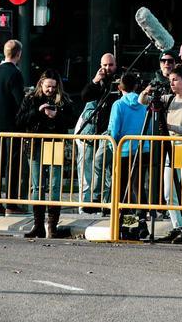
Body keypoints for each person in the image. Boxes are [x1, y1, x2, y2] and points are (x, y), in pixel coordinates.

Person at [141, 64, 182, 243]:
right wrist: (147, 91)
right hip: (171, 147)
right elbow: (142, 102)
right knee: (169, 192)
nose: (172, 83)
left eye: (175, 80)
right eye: (170, 80)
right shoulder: (168, 99)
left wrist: (170, 128)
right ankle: (177, 226)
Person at [16, 69, 73, 239]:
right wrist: (39, 111)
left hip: (54, 144)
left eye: (54, 87)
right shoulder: (31, 99)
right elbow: (19, 120)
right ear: (41, 84)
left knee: (55, 185)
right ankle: (38, 225)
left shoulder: (63, 99)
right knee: (37, 185)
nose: (50, 90)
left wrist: (57, 115)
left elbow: (71, 119)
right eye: (48, 86)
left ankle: (52, 226)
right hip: (35, 145)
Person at [108, 71, 157, 240]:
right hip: (143, 149)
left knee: (124, 191)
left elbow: (114, 130)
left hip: (123, 150)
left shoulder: (118, 105)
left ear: (119, 87)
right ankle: (140, 224)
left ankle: (129, 226)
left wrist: (111, 145)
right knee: (137, 187)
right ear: (136, 86)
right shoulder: (144, 104)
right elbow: (150, 127)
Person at [75, 52, 118, 213]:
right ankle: (86, 205)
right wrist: (95, 81)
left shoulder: (117, 83)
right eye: (104, 65)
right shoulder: (97, 83)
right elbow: (84, 96)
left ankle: (104, 205)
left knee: (107, 173)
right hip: (91, 134)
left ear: (115, 65)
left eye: (110, 65)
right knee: (88, 172)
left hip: (109, 134)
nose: (107, 68)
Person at [0, 39, 25, 215]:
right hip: (12, 126)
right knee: (12, 164)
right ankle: (11, 203)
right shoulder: (15, 74)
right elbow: (20, 102)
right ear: (19, 54)